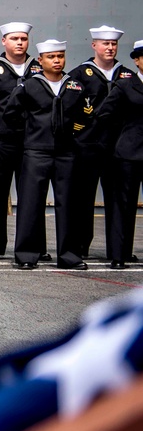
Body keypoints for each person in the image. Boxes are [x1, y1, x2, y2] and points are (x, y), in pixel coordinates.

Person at [2, 39, 91, 270]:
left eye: (60, 56)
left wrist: (72, 133)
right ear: (40, 60)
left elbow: (85, 116)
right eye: (51, 57)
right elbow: (11, 114)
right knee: (31, 204)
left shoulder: (74, 86)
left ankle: (69, 256)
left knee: (69, 204)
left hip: (66, 153)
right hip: (36, 152)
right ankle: (26, 255)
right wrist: (31, 132)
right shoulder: (29, 86)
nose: (57, 60)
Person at [68, 25, 135, 260]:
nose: (110, 47)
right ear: (94, 45)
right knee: (82, 198)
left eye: (113, 44)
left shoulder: (127, 75)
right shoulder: (79, 74)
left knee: (119, 200)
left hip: (117, 146)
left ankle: (119, 251)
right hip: (87, 145)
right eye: (105, 43)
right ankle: (79, 248)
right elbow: (70, 107)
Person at [0, 22, 43, 261]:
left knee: (31, 195)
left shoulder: (39, 67)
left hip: (32, 141)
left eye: (23, 39)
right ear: (4, 41)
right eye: (14, 38)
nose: (19, 43)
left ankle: (35, 246)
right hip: (1, 140)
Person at [93, 38, 143, 269]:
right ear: (137, 60)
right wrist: (120, 135)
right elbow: (104, 115)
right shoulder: (125, 85)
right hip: (129, 154)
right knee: (123, 205)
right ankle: (119, 254)